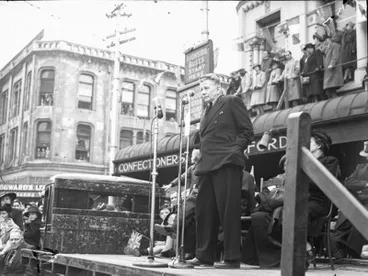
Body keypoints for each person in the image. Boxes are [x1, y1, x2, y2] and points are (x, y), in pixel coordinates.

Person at [188, 73, 254, 269]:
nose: (203, 93)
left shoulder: (231, 101)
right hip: (207, 164)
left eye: (206, 88)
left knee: (228, 211)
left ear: (219, 88)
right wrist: (197, 148)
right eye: (202, 90)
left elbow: (247, 131)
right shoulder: (206, 111)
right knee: (204, 210)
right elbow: (204, 136)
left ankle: (232, 258)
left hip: (226, 162)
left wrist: (233, 150)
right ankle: (204, 255)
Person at [330, 141, 368, 259]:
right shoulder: (360, 167)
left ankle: (353, 252)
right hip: (357, 202)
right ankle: (338, 250)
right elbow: (349, 182)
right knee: (343, 222)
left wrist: (359, 186)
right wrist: (366, 184)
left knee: (360, 220)